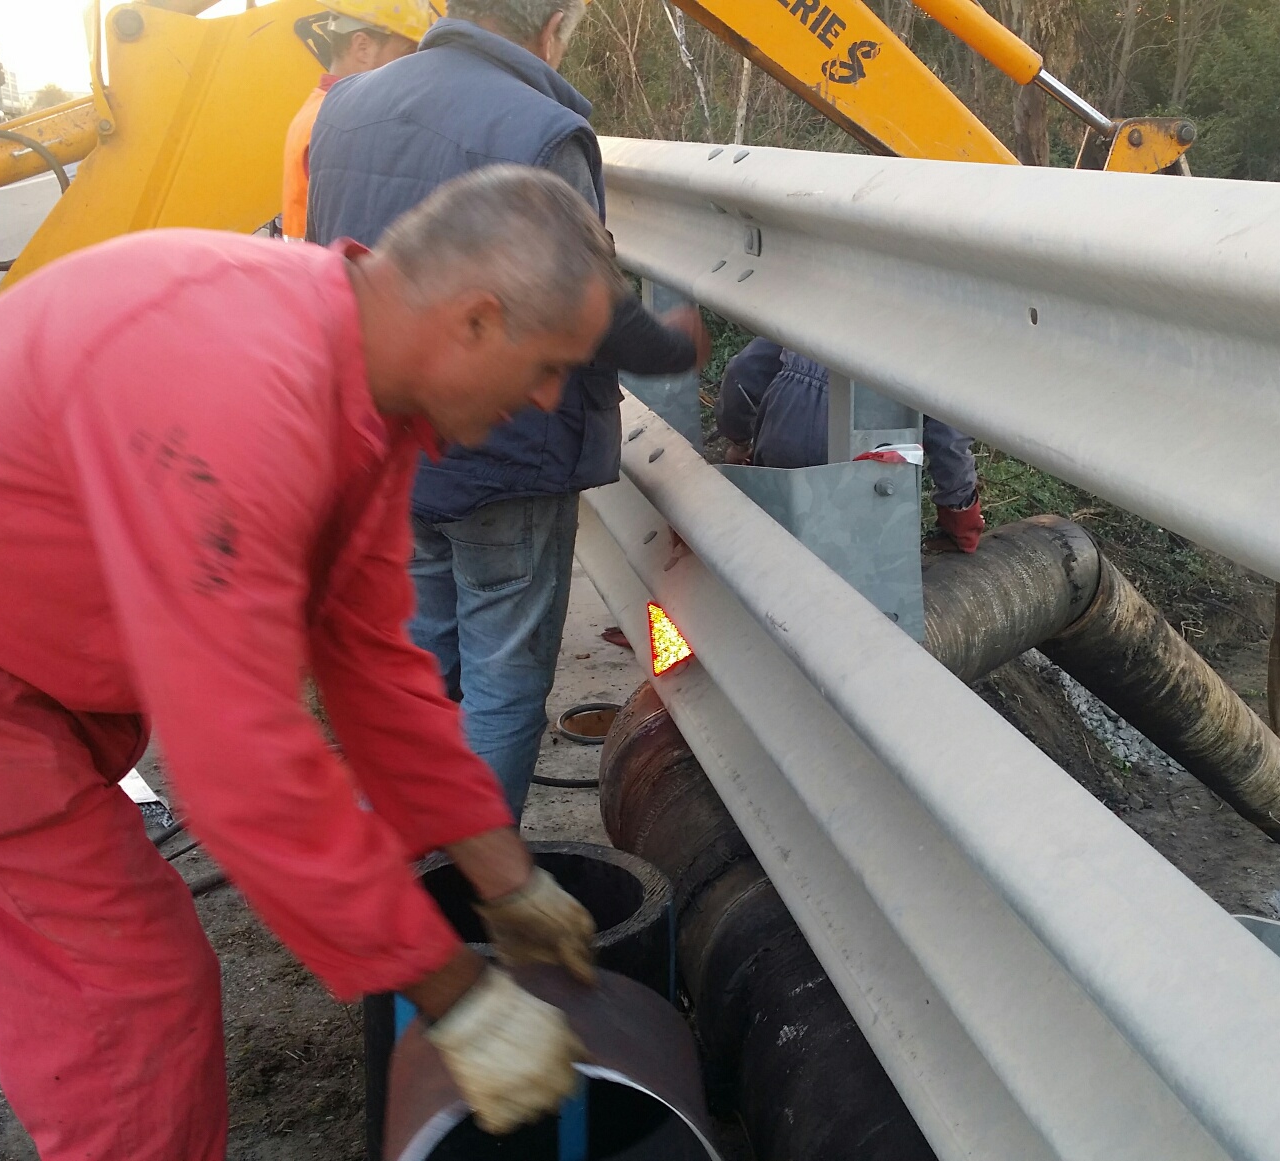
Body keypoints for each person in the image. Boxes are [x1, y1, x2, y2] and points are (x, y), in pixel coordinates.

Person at [0, 167, 619, 1160]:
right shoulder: (247, 393)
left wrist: (505, 876)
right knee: (127, 987)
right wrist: (456, 996)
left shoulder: (363, 396)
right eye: (551, 364)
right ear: (477, 320)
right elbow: (243, 768)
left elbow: (372, 665)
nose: (551, 398)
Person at [306, 0, 709, 820]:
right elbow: (582, 305)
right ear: (556, 24)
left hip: (382, 435)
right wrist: (675, 345)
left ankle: (412, 856)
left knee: (418, 663)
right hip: (503, 450)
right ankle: (477, 884)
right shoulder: (542, 129)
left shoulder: (345, 104)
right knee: (504, 672)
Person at [720, 339, 986, 551]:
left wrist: (739, 441)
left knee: (772, 544)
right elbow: (948, 434)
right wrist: (959, 511)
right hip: (862, 446)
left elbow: (744, 370)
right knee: (856, 568)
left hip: (785, 418)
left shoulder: (834, 289)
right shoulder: (940, 327)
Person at [282, 0, 433, 241]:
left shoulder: (319, 111)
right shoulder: (346, 123)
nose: (416, 68)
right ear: (362, 47)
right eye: (407, 53)